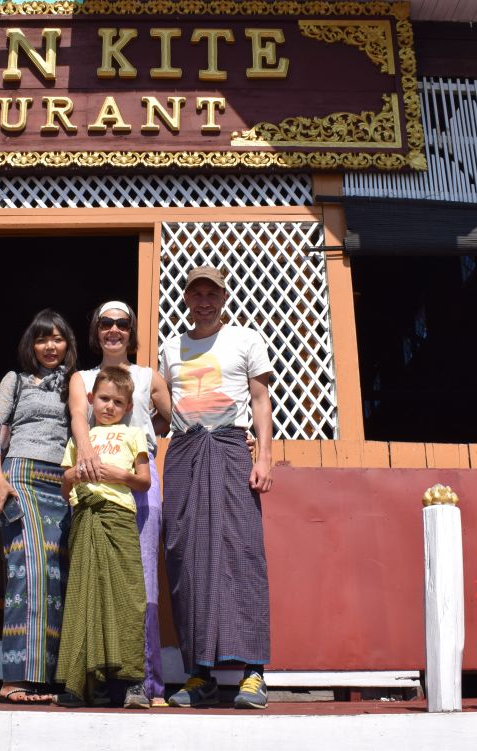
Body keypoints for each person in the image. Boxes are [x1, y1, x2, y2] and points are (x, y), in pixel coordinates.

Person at [159, 266, 275, 710]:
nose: (204, 301)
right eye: (197, 294)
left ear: (223, 298)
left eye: (212, 294)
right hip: (185, 452)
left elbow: (260, 400)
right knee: (186, 558)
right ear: (186, 299)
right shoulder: (171, 348)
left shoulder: (246, 339)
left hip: (230, 447)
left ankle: (253, 673)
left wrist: (264, 456)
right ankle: (200, 674)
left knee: (242, 551)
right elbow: (162, 411)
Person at [67, 300, 171, 707]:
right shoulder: (82, 377)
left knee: (141, 579)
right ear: (96, 331)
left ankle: (145, 682)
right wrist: (87, 451)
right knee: (95, 578)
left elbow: (171, 418)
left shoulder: (148, 376)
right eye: (106, 323)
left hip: (138, 483)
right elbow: (79, 416)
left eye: (122, 323)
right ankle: (97, 679)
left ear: (131, 331)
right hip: (93, 481)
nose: (114, 329)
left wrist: (142, 437)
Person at [0, 308, 77, 704]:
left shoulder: (76, 383)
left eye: (57, 338)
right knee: (29, 570)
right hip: (20, 477)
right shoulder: (15, 380)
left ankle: (49, 677)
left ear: (68, 343)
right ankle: (15, 679)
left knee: (57, 576)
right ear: (31, 345)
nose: (50, 346)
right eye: (42, 338)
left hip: (63, 484)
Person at [55, 367, 152, 708]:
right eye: (104, 399)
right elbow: (65, 485)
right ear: (91, 399)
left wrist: (118, 474)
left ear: (129, 407)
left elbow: (144, 482)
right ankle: (80, 684)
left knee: (129, 596)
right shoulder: (78, 441)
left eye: (118, 402)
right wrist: (74, 473)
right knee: (84, 596)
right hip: (85, 516)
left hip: (119, 518)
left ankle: (131, 683)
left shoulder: (134, 434)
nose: (109, 406)